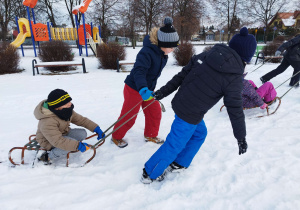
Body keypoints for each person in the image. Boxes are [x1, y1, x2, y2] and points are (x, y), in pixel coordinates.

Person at [141, 27, 257, 184]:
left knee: (199, 133)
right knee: (175, 144)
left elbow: (181, 76)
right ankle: (150, 173)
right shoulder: (234, 75)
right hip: (190, 113)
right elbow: (235, 108)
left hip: (184, 104)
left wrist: (163, 92)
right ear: (247, 56)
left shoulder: (208, 54)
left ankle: (179, 162)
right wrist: (241, 136)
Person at [111, 17, 179, 148]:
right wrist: (142, 88)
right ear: (162, 43)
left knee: (154, 111)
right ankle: (116, 136)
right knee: (129, 116)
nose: (173, 50)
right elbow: (139, 71)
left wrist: (148, 88)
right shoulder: (147, 53)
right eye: (171, 47)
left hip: (148, 89)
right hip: (135, 88)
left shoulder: (162, 54)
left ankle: (150, 134)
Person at [34, 89, 105, 164]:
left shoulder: (66, 111)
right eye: (66, 103)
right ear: (57, 107)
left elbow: (81, 120)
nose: (70, 104)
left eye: (69, 101)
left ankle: (69, 143)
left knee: (82, 133)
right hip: (48, 141)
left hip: (62, 133)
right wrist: (76, 145)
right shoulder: (47, 121)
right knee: (67, 146)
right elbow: (58, 141)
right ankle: (47, 157)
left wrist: (96, 128)